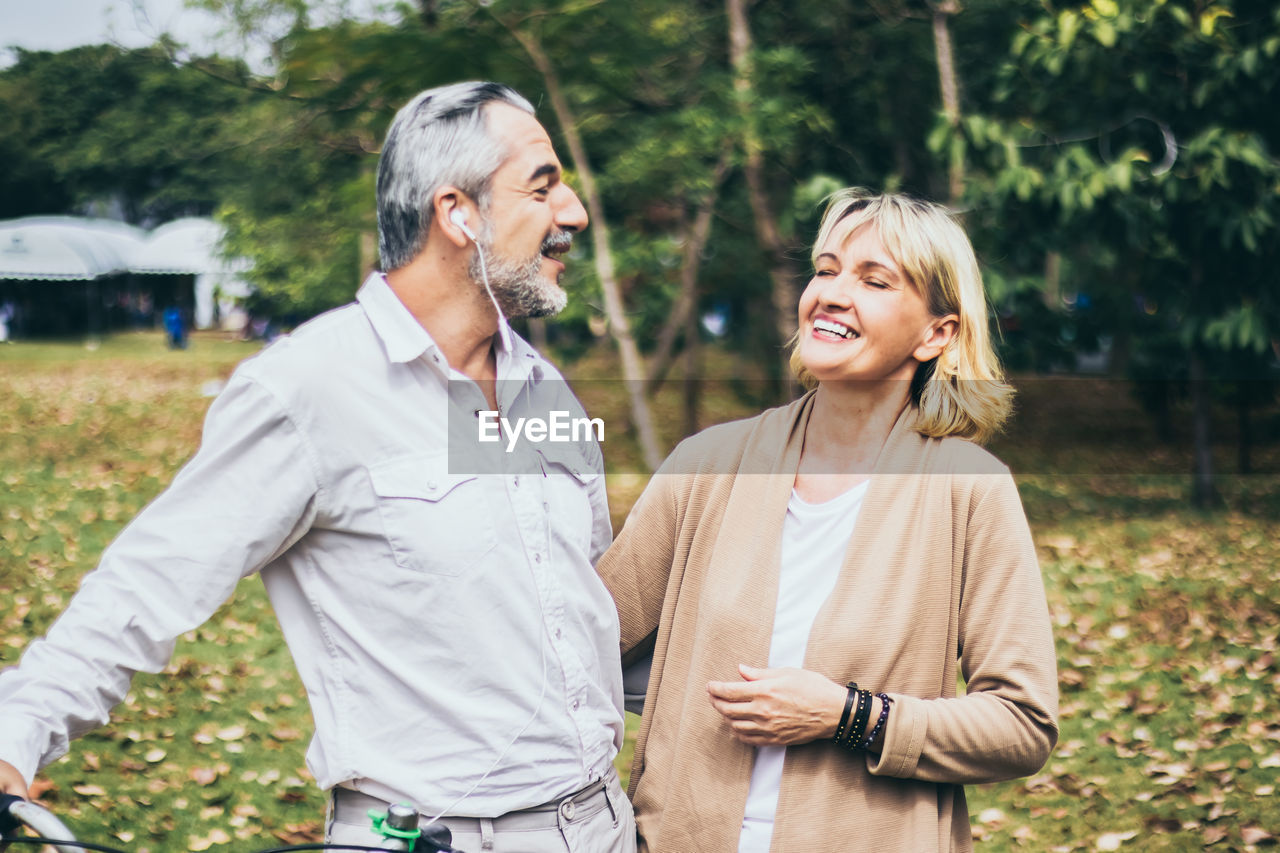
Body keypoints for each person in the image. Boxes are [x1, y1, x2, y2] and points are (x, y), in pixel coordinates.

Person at [0, 82, 635, 853]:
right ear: (457, 213)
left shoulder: (546, 389)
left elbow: (586, 607)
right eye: (544, 186)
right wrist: (17, 733)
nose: (573, 212)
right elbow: (146, 582)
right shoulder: (311, 387)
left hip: (600, 824)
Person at [598, 188, 1059, 852]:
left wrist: (851, 717)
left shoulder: (970, 489)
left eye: (875, 279)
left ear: (938, 332)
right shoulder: (708, 463)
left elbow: (1022, 724)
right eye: (826, 268)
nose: (833, 294)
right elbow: (580, 646)